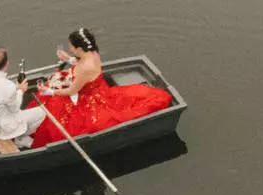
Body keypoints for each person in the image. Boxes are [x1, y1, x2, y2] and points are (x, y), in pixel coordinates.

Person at [26, 27, 174, 148]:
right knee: (51, 91)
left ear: (79, 48)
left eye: (71, 46)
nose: (70, 48)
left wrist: (50, 91)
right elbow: (80, 62)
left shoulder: (85, 68)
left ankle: (29, 129)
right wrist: (68, 59)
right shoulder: (92, 53)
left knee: (55, 107)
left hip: (88, 98)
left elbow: (72, 91)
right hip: (96, 88)